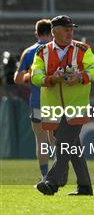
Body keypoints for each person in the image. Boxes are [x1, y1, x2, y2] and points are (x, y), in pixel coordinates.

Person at [32, 15, 94, 196]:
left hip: (76, 106)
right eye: (66, 29)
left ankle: (51, 182)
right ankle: (85, 187)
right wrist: (51, 79)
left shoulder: (83, 49)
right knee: (73, 148)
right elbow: (35, 76)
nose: (71, 32)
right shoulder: (41, 52)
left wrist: (81, 77)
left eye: (72, 29)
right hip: (53, 108)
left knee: (63, 145)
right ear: (55, 32)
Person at [13, 19, 53, 181]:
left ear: (37, 34)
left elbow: (18, 79)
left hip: (37, 101)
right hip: (55, 101)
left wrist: (30, 76)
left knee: (41, 140)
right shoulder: (57, 51)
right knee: (55, 138)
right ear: (51, 33)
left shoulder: (29, 52)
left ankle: (45, 176)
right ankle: (59, 172)